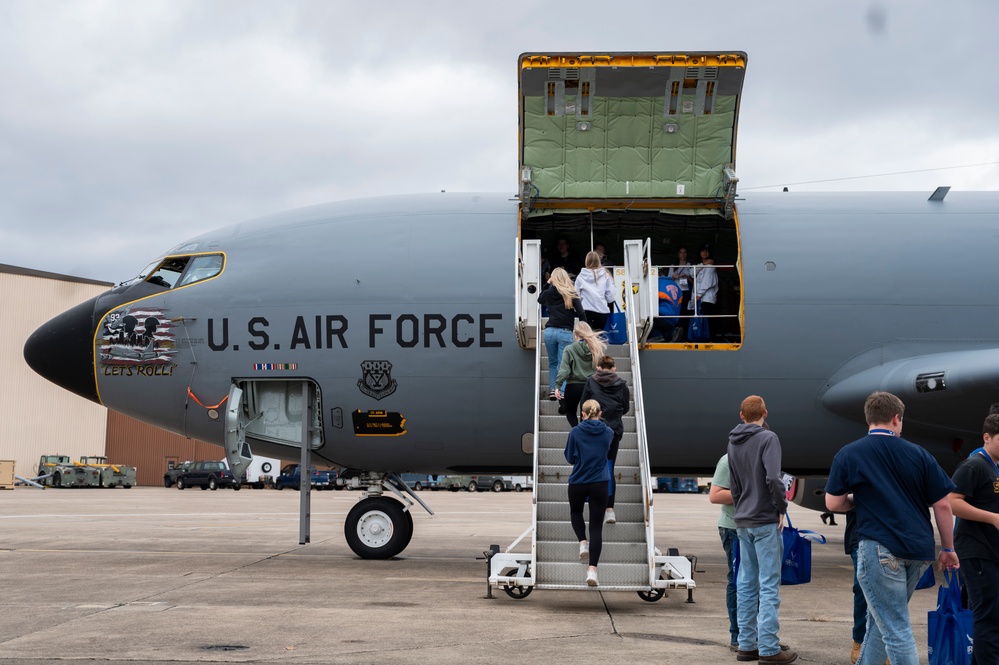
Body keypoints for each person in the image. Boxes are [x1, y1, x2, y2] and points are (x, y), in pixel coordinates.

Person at [824, 391, 958, 665]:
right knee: (880, 622)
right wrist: (947, 548)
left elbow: (833, 503)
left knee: (895, 627)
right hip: (919, 551)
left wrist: (856, 499)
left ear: (869, 419)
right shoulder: (919, 454)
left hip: (880, 549)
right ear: (896, 418)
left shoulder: (850, 453)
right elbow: (943, 505)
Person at [727, 395, 797, 663]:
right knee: (769, 585)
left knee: (745, 583)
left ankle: (747, 644)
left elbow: (734, 484)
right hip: (765, 519)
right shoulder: (769, 439)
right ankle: (769, 647)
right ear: (765, 413)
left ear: (742, 415)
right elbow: (773, 478)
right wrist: (781, 508)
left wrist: (741, 507)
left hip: (743, 519)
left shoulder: (732, 442)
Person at [948, 413, 999, 664]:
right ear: (986, 437)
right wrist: (992, 518)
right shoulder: (973, 466)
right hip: (977, 551)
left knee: (992, 615)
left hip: (991, 551)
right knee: (987, 616)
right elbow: (953, 503)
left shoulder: (994, 467)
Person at [564, 399, 613, 587]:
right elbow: (607, 452)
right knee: (596, 527)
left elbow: (569, 458)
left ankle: (582, 542)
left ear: (583, 414)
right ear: (600, 413)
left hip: (578, 481)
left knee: (576, 512)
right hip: (600, 483)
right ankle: (592, 571)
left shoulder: (575, 432)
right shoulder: (608, 432)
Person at [580, 355, 630, 524]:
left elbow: (584, 405)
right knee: (609, 467)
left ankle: (592, 502)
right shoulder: (622, 384)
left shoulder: (591, 381)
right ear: (614, 368)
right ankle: (609, 509)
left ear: (599, 367)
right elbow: (626, 407)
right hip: (613, 431)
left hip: (592, 431)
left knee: (590, 465)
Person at [709, 453, 741, 652]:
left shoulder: (765, 457)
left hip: (760, 528)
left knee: (762, 583)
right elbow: (715, 495)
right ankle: (738, 636)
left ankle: (761, 635)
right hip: (733, 528)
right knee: (737, 581)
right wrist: (750, 490)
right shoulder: (728, 460)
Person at [537, 268, 585, 400]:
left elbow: (540, 300)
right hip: (565, 332)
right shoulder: (571, 293)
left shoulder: (549, 292)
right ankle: (562, 391)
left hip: (550, 332)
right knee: (564, 363)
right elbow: (581, 313)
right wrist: (585, 330)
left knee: (552, 363)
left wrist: (547, 284)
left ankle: (553, 390)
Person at [554, 321, 606, 428]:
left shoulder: (570, 349)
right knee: (587, 413)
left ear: (575, 334)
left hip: (573, 385)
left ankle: (577, 430)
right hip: (591, 385)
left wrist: (558, 385)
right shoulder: (596, 349)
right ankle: (585, 432)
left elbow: (565, 371)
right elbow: (601, 369)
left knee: (570, 411)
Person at [574, 250, 617, 332]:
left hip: (586, 310)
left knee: (586, 338)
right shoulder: (606, 275)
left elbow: (576, 295)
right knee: (598, 338)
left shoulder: (580, 276)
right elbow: (610, 297)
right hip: (602, 310)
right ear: (598, 261)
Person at [648, 273, 682, 343]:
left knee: (647, 320)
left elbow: (652, 300)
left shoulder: (657, 283)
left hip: (661, 316)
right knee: (666, 333)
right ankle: (673, 333)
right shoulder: (676, 286)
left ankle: (657, 335)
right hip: (674, 318)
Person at [689, 243, 719, 319]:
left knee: (706, 323)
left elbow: (707, 282)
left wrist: (699, 294)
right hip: (699, 298)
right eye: (703, 251)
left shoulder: (711, 267)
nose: (704, 253)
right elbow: (691, 273)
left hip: (707, 299)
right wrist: (703, 264)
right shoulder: (699, 264)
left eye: (707, 251)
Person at [668, 245, 693, 315]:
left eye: (684, 252)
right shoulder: (673, 266)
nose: (682, 254)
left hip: (686, 291)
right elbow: (668, 281)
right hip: (675, 290)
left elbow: (694, 282)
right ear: (678, 254)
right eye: (680, 252)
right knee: (676, 308)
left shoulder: (690, 266)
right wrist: (673, 277)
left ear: (687, 254)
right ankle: (677, 325)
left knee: (685, 308)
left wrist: (686, 277)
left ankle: (683, 325)